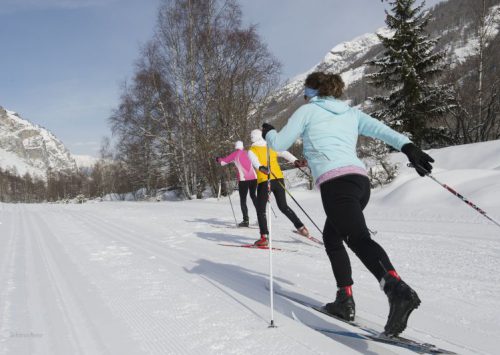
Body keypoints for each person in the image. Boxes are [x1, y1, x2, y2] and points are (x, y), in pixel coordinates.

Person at [262, 71, 435, 336]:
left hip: (336, 184)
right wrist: (409, 147)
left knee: (356, 238)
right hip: (358, 182)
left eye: (305, 91)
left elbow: (278, 145)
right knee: (332, 237)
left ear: (312, 91)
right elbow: (382, 130)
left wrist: (270, 132)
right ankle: (344, 299)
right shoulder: (350, 113)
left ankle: (397, 290)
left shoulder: (307, 112)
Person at [247, 129, 309, 247]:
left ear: (252, 138)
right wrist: (295, 160)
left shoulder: (252, 150)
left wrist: (261, 168)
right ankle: (301, 228)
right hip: (278, 178)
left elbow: (254, 161)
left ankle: (264, 237)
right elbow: (284, 152)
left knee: (261, 210)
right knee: (283, 206)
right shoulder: (271, 146)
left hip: (265, 180)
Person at [216, 141, 258, 227]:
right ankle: (261, 218)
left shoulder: (235, 154)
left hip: (243, 180)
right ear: (242, 146)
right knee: (254, 197)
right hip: (254, 178)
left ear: (236, 147)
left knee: (243, 200)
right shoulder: (248, 153)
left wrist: (218, 159)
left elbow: (223, 162)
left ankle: (246, 221)